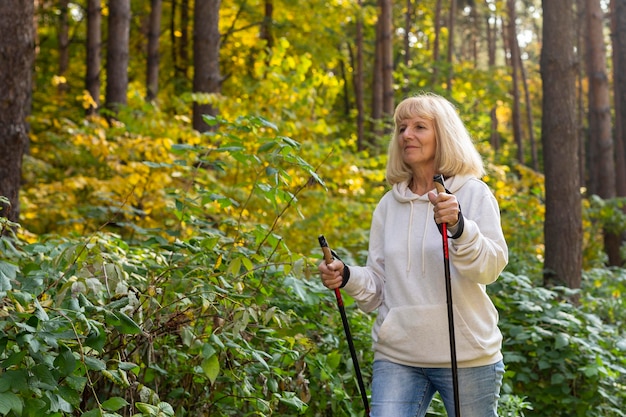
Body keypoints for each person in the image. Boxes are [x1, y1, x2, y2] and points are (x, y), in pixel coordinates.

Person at [319, 92, 508, 417]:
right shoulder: (388, 205)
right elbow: (379, 285)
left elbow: (490, 268)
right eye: (401, 127)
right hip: (399, 354)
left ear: (443, 135)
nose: (407, 134)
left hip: (466, 355)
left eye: (420, 126)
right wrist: (346, 275)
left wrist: (460, 226)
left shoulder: (472, 193)